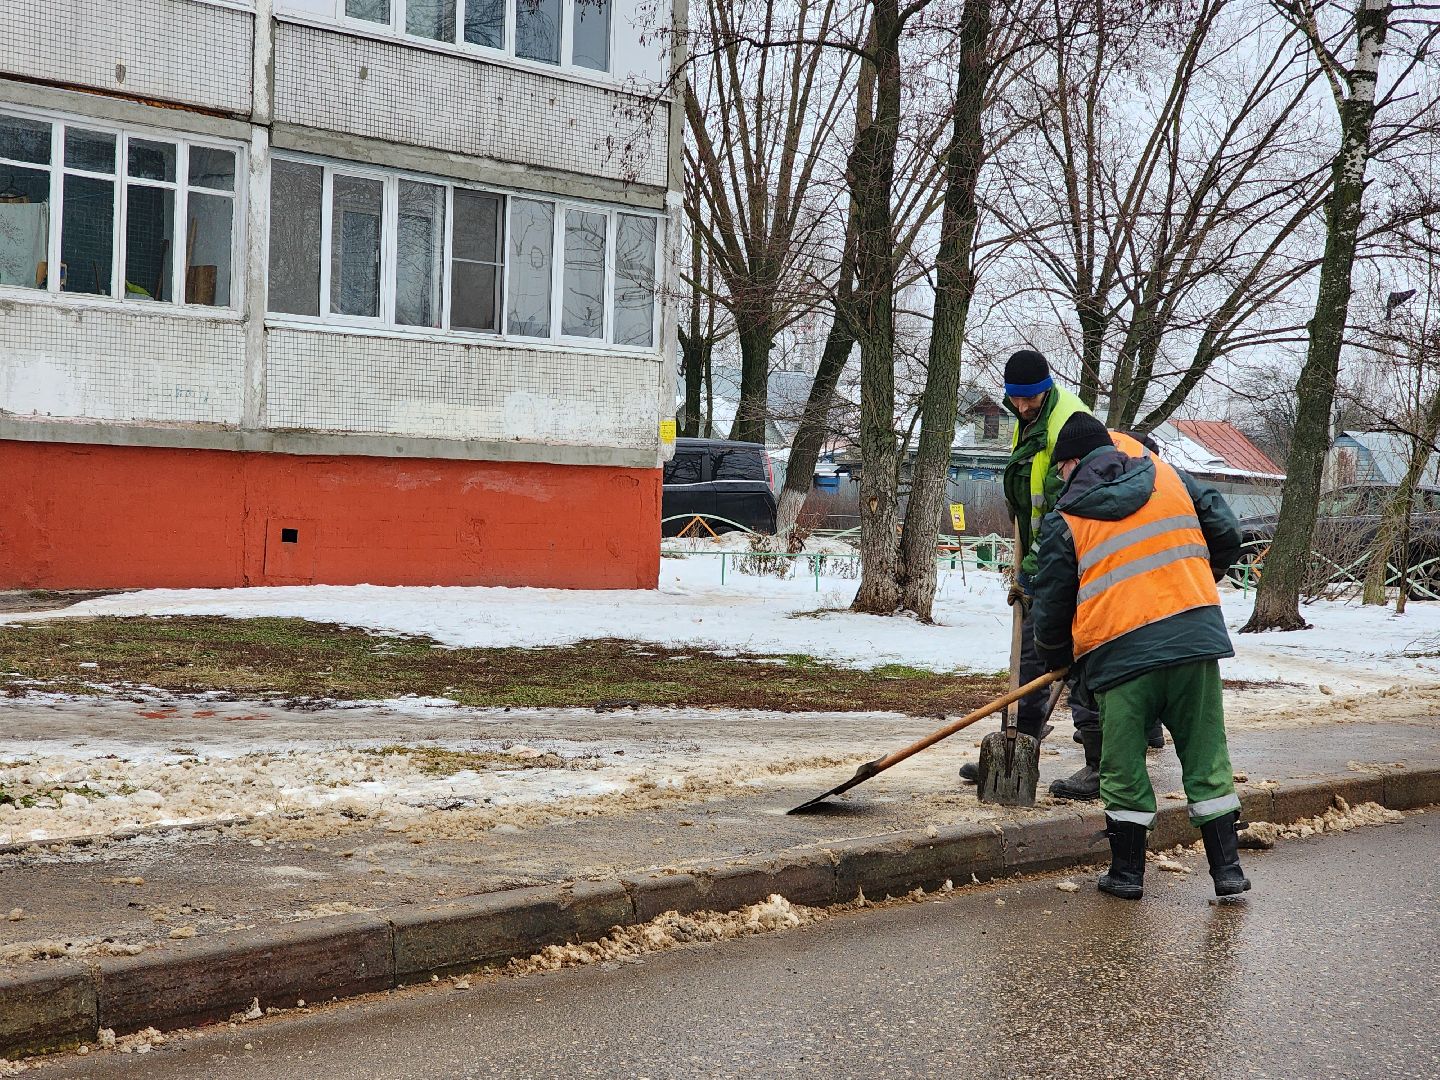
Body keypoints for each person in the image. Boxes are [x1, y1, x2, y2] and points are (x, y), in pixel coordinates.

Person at [1030, 413, 1249, 900]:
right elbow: (1229, 533)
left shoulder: (1065, 518)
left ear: (1069, 464)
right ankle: (1227, 870)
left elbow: (1051, 604)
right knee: (1206, 753)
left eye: (1060, 468)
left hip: (1119, 653)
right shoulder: (1170, 475)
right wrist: (1191, 579)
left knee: (1123, 765)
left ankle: (1127, 874)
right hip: (1194, 640)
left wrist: (1055, 656)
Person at [959, 349, 1098, 785]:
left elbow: (1063, 510)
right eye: (1014, 400)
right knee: (1032, 649)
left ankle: (1098, 761)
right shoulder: (1031, 419)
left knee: (1075, 652)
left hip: (1069, 554)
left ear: (1046, 388)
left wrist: (1033, 569)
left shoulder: (1066, 426)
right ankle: (1019, 740)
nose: (1020, 408)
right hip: (1042, 550)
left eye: (1028, 399)